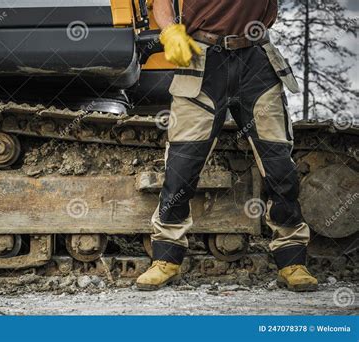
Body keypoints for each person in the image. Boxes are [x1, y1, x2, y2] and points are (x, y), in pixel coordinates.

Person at [136, 0, 318, 292]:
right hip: (201, 58)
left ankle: (292, 260)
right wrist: (170, 31)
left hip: (256, 60)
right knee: (181, 166)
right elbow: (161, 3)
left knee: (279, 163)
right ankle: (166, 259)